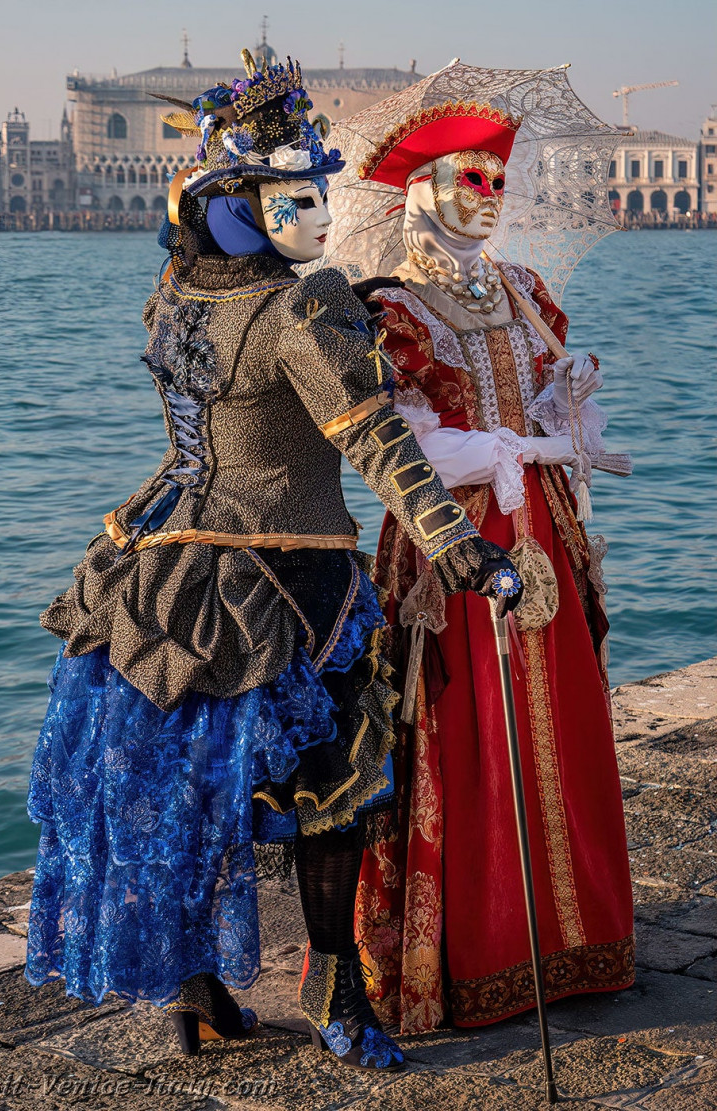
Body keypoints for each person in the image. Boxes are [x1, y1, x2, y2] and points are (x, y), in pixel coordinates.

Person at [23, 55, 522, 1071]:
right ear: (241, 207)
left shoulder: (172, 299)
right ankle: (340, 999)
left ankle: (201, 1001)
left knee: (188, 800)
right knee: (332, 799)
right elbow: (372, 438)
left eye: (320, 190)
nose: (322, 213)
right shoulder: (305, 308)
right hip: (288, 582)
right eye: (298, 195)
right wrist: (459, 544)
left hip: (157, 567)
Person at [350, 99, 636, 1033]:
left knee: (563, 713)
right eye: (470, 179)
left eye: (499, 181)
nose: (490, 197)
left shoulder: (524, 289)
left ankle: (573, 941)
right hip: (455, 546)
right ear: (421, 191)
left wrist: (566, 405)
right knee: (469, 723)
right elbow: (410, 444)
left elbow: (551, 413)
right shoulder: (394, 309)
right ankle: (482, 953)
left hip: (544, 530)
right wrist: (509, 448)